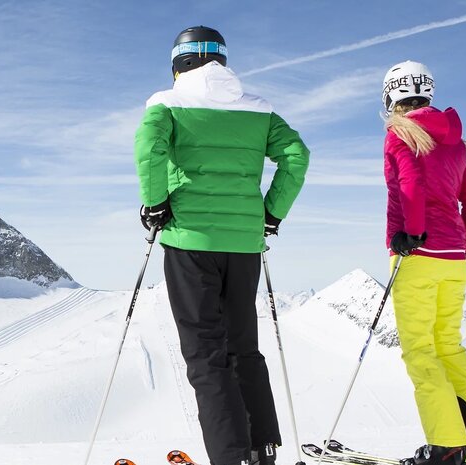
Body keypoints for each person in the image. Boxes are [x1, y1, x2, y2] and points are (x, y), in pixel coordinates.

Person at [134, 25, 310, 465]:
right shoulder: (259, 109)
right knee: (242, 346)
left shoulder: (166, 104)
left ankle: (231, 458)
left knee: (206, 354)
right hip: (245, 245)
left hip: (189, 241)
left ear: (178, 63)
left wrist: (156, 205)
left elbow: (148, 148)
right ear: (222, 60)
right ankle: (261, 450)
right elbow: (297, 155)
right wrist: (271, 213)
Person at [379, 60, 466, 465]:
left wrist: (410, 233)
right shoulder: (455, 142)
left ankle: (447, 447)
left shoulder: (400, 134)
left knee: (420, 353)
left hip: (419, 256)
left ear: (391, 95)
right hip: (454, 259)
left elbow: (411, 184)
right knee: (449, 347)